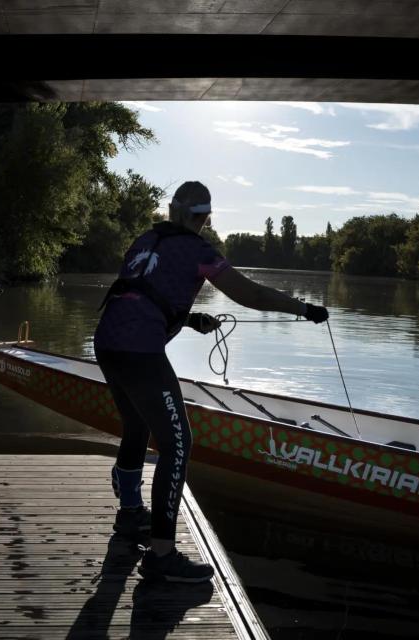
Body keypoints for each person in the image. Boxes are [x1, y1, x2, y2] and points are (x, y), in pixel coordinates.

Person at [94, 181, 329, 583]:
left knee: (136, 426)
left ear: (171, 210)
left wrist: (188, 319)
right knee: (178, 442)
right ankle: (162, 555)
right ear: (203, 217)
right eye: (204, 217)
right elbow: (248, 293)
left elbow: (138, 292)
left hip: (107, 341)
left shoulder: (146, 238)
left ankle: (131, 514)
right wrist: (303, 308)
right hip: (141, 351)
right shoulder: (200, 250)